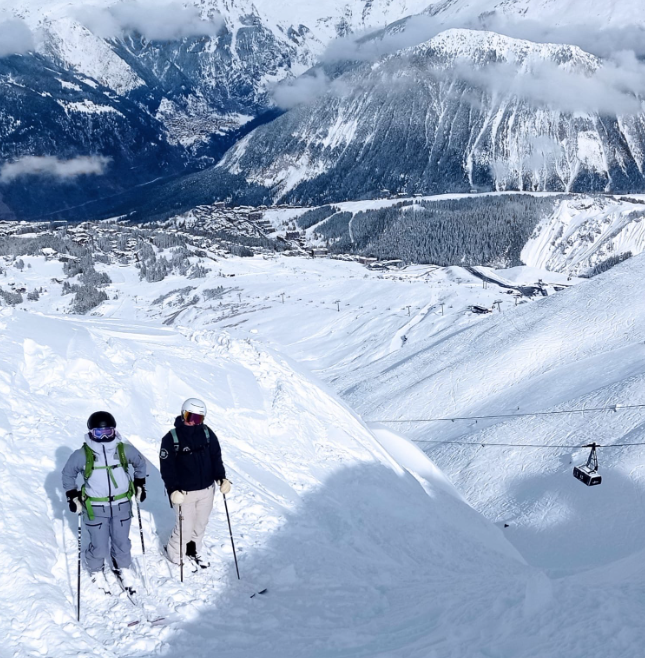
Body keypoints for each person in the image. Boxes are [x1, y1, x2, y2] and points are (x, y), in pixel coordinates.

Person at [62, 411, 146, 594]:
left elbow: (140, 464)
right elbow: (68, 474)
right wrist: (72, 496)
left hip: (122, 504)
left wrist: (140, 484)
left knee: (122, 541)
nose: (105, 437)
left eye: (108, 432)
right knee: (99, 545)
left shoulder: (123, 450)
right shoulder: (82, 454)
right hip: (96, 507)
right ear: (91, 433)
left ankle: (122, 567)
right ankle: (95, 569)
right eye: (99, 433)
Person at [159, 398, 231, 568]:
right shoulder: (171, 438)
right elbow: (167, 468)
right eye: (189, 416)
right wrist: (173, 489)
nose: (193, 422)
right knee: (185, 526)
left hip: (206, 489)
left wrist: (221, 478)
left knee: (200, 523)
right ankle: (175, 554)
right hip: (183, 493)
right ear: (183, 414)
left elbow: (215, 457)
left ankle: (192, 549)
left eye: (197, 419)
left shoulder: (207, 433)